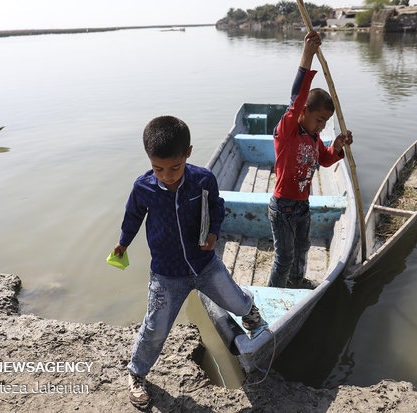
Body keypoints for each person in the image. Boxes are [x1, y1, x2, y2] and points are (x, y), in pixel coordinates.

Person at [113, 115, 263, 409]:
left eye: (175, 168)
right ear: (149, 161)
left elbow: (217, 209)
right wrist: (123, 242)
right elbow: (133, 217)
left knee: (235, 300)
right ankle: (136, 374)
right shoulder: (143, 188)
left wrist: (214, 233)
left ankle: (250, 310)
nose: (167, 175)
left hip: (204, 263)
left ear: (188, 154)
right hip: (166, 274)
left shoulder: (203, 180)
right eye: (158, 169)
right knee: (155, 328)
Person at [268, 31, 354, 289]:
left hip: (303, 205)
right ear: (303, 113)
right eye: (319, 119)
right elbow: (296, 99)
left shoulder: (314, 137)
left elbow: (325, 160)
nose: (321, 125)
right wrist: (308, 55)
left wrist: (337, 146)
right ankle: (273, 294)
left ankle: (296, 283)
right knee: (284, 257)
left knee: (302, 249)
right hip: (282, 207)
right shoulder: (288, 131)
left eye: (325, 122)